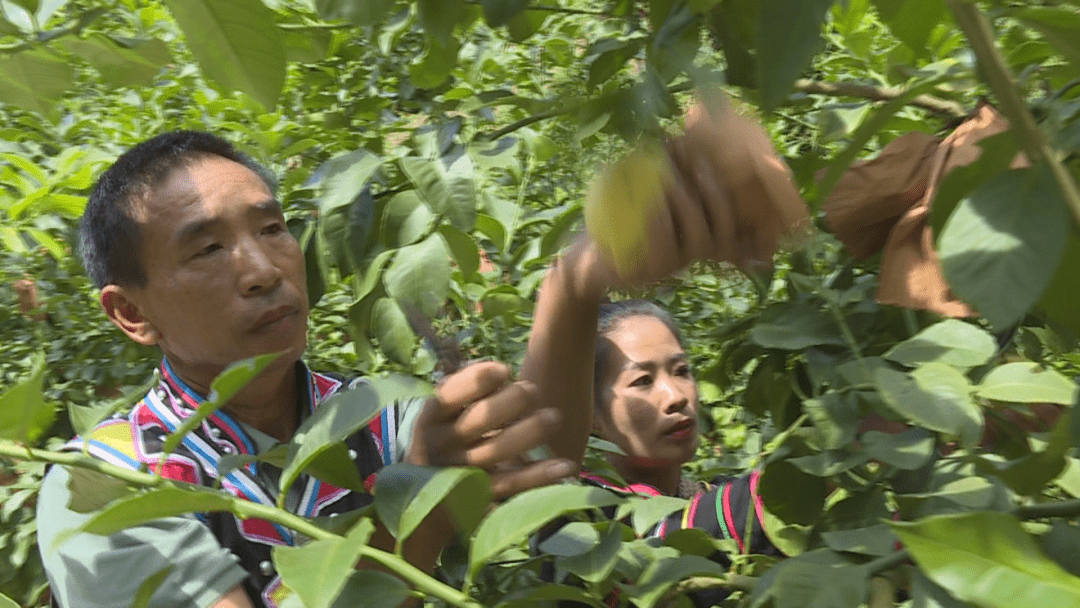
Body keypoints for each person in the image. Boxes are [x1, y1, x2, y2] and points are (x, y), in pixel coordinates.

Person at [37, 123, 746, 608]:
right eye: (206, 249)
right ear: (132, 313)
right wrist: (421, 505)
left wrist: (578, 281)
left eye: (272, 228)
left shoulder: (368, 410)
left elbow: (537, 457)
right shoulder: (106, 484)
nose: (262, 268)